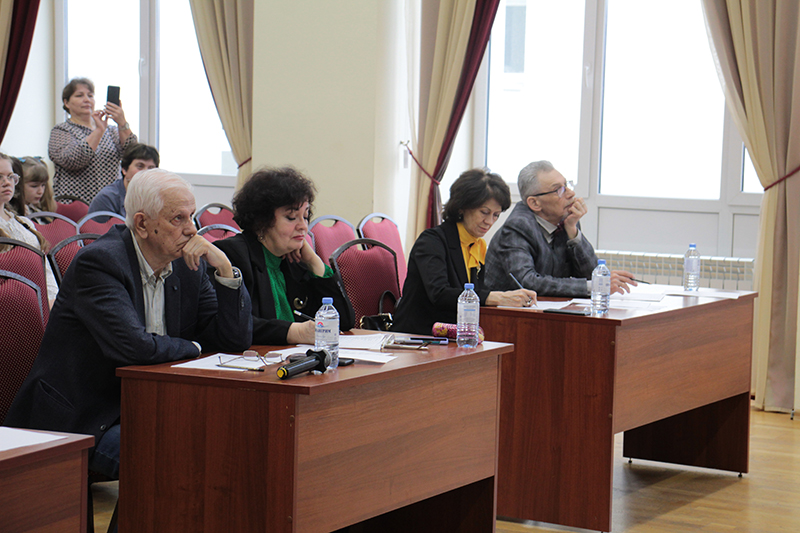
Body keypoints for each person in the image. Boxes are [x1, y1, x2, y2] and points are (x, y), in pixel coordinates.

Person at [3, 168, 252, 483]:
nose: (192, 230)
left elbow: (234, 340)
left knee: (230, 439)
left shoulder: (187, 266)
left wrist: (226, 270)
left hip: (147, 404)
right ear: (142, 224)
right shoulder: (99, 263)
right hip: (85, 414)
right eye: (178, 219)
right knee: (170, 457)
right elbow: (135, 348)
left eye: (192, 216)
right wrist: (195, 348)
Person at [215, 167, 354, 345]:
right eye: (291, 217)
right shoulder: (233, 256)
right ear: (262, 221)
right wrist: (294, 332)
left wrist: (314, 262)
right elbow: (236, 325)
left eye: (305, 216)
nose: (303, 226)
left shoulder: (294, 258)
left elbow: (344, 321)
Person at [391, 168, 538, 335]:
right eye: (484, 212)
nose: (490, 221)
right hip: (419, 335)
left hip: (457, 333)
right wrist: (497, 297)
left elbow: (474, 292)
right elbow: (439, 294)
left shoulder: (478, 245)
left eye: (496, 215)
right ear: (462, 207)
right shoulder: (431, 241)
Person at [484, 160, 635, 297]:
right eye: (559, 190)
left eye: (566, 185)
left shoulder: (565, 220)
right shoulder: (518, 227)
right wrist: (591, 286)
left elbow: (591, 275)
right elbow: (527, 281)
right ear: (535, 203)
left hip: (548, 309)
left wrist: (573, 232)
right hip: (504, 313)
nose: (571, 193)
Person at [49, 77, 137, 202]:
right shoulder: (61, 130)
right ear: (66, 103)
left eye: (90, 95)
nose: (87, 100)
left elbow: (133, 154)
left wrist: (122, 123)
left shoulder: (111, 130)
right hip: (74, 204)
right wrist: (99, 131)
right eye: (79, 95)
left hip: (109, 202)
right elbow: (74, 160)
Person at [0, 153, 59, 306]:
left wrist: (53, 302)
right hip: (11, 306)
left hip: (41, 303)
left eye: (10, 176)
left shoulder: (25, 223)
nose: (6, 182)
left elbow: (45, 271)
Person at [88, 143, 160, 217]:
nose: (146, 172)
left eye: (151, 168)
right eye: (140, 166)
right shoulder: (107, 198)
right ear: (124, 169)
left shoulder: (157, 197)